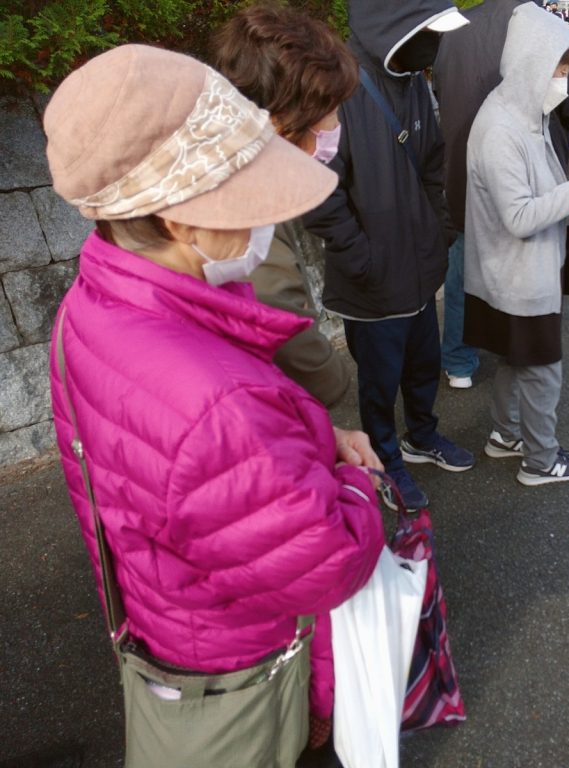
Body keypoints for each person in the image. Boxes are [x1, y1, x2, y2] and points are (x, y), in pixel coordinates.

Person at [45, 44, 386, 765]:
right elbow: (324, 563)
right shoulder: (216, 401)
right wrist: (355, 483)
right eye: (247, 197)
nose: (266, 219)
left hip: (167, 614)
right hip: (241, 661)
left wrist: (308, 442)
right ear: (179, 221)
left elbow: (184, 472)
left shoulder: (96, 300)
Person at [302, 0, 476, 512]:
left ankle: (421, 435)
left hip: (419, 268)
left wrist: (439, 231)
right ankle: (383, 459)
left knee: (423, 365)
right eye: (428, 30)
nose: (435, 44)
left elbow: (433, 162)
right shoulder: (339, 88)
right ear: (395, 26)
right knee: (378, 382)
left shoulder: (413, 80)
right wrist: (363, 258)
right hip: (372, 283)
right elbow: (319, 192)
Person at [463, 2, 569, 487]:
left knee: (516, 360)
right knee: (542, 371)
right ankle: (541, 460)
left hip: (515, 273)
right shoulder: (501, 128)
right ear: (532, 63)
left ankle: (505, 435)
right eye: (560, 69)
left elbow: (539, 195)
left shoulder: (524, 113)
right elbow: (518, 216)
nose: (564, 80)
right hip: (518, 276)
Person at [433, 0, 569, 398]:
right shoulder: (543, 27)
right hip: (525, 181)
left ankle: (459, 360)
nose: (562, 79)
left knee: (465, 268)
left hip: (462, 174)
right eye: (560, 73)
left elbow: (438, 87)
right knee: (520, 273)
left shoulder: (456, 28)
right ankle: (514, 353)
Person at [210, 5, 355, 410]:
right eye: (329, 112)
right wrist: (332, 378)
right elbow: (276, 311)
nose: (336, 127)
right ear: (280, 121)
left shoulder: (221, 164)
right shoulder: (246, 200)